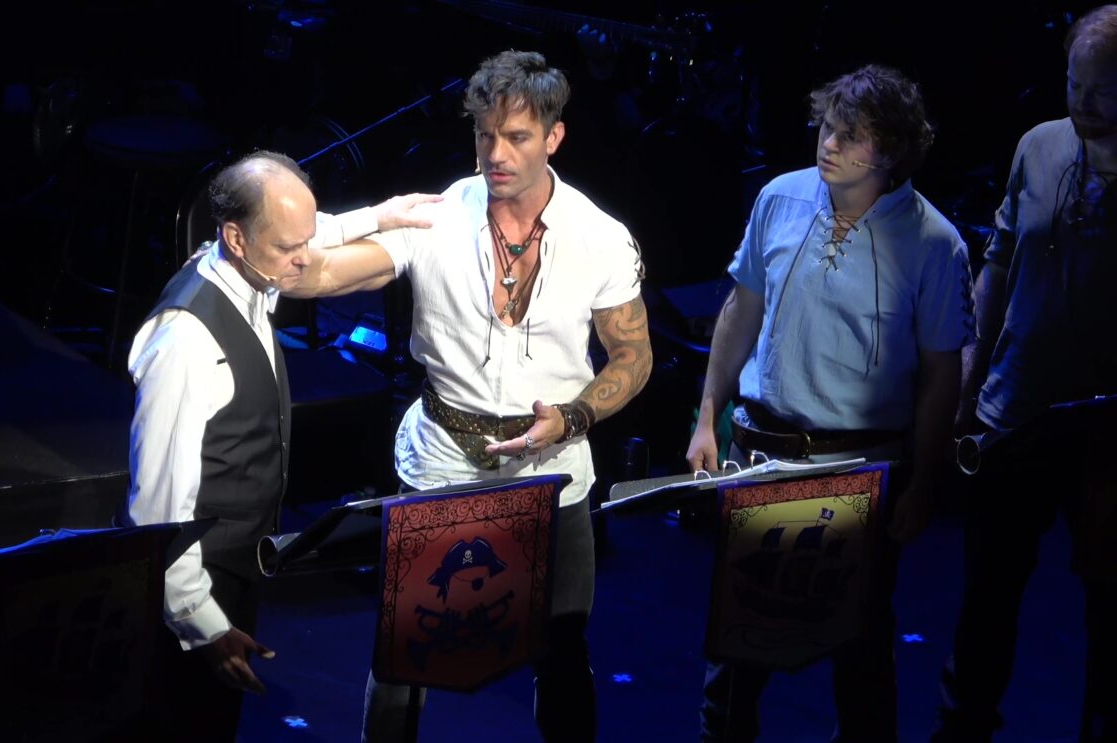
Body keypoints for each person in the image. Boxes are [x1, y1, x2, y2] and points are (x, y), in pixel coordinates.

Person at [281, 49, 653, 742]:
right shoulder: (438, 217)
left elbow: (633, 355)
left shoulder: (600, 236)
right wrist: (355, 221)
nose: (496, 153)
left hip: (554, 472)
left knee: (564, 652)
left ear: (554, 136)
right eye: (485, 135)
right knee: (403, 656)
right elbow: (313, 276)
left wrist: (573, 416)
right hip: (444, 463)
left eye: (516, 137)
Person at [684, 65, 971, 741]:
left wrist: (924, 482)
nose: (829, 143)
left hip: (859, 472)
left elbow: (942, 374)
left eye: (850, 134)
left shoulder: (935, 243)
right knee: (735, 662)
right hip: (761, 455)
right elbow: (741, 310)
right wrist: (706, 417)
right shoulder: (780, 198)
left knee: (860, 658)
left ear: (891, 151)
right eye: (827, 127)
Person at [122, 150, 440, 741]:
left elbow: (306, 232)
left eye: (305, 238)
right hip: (198, 580)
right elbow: (158, 512)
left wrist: (380, 216)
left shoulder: (247, 267)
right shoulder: (186, 343)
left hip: (240, 562)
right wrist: (203, 625)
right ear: (235, 238)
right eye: (289, 247)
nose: (305, 259)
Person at [933, 7, 1117, 740]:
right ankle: (963, 727)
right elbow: (1000, 260)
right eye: (1075, 83)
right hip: (1015, 411)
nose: (1084, 101)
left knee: (1109, 607)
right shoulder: (1039, 146)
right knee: (988, 594)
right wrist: (970, 375)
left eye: (1103, 89)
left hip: (1108, 432)